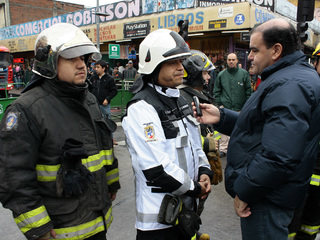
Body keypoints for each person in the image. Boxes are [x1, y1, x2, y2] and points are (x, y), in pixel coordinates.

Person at [192, 18, 320, 240]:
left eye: (254, 50)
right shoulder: (288, 78)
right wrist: (221, 117)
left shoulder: (290, 85)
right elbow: (261, 128)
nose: (249, 56)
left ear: (276, 50)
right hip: (271, 194)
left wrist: (246, 190)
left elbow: (278, 155)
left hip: (266, 199)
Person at [0, 23, 120, 240]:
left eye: (83, 58)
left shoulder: (89, 99)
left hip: (98, 222)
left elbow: (103, 151)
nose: (81, 65)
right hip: (60, 231)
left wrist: (112, 183)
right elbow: (13, 178)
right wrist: (38, 229)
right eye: (72, 58)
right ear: (50, 62)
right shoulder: (27, 109)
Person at [122, 29, 213, 240]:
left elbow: (194, 144)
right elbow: (156, 168)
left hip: (185, 214)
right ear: (153, 65)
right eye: (173, 62)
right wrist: (196, 188)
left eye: (181, 61)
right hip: (158, 223)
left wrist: (204, 170)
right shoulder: (141, 107)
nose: (181, 67)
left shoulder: (181, 98)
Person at [179, 49, 222, 240]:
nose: (208, 77)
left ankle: (193, 231)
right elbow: (185, 138)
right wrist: (208, 144)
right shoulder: (183, 99)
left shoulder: (197, 96)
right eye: (205, 73)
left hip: (200, 166)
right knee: (188, 210)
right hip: (190, 169)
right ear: (194, 73)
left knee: (196, 208)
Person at [287, 43, 320, 240]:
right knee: (291, 224)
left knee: (311, 225)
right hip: (300, 172)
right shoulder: (306, 88)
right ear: (315, 62)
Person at [213, 53, 252, 158]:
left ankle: (237, 148)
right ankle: (224, 149)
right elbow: (217, 90)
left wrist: (246, 106)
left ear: (237, 60)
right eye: (229, 59)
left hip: (240, 107)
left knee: (239, 128)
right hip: (225, 107)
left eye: (233, 59)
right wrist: (219, 104)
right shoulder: (221, 75)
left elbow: (249, 91)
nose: (231, 61)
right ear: (227, 61)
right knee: (224, 131)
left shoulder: (244, 74)